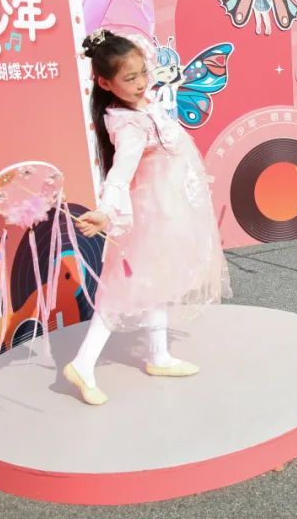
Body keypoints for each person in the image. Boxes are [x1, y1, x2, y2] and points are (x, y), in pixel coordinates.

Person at [67, 30, 231, 407]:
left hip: (167, 212)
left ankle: (158, 355)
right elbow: (120, 174)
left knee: (157, 283)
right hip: (149, 218)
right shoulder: (127, 124)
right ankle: (83, 363)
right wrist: (106, 212)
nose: (141, 82)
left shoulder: (145, 105)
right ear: (105, 83)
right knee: (124, 289)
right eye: (130, 78)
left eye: (142, 72)